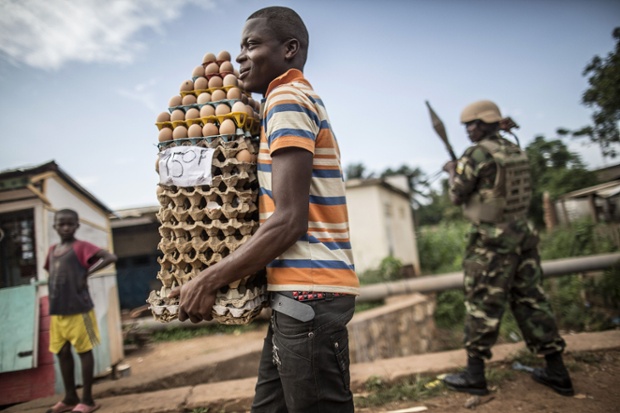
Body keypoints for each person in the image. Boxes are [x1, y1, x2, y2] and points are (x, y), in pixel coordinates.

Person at [170, 6, 360, 412]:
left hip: (308, 291)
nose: (240, 57)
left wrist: (209, 278)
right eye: (241, 46)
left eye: (251, 45)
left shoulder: (287, 98)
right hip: (298, 294)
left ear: (290, 49)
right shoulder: (283, 100)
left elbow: (290, 220)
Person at [441, 100, 574, 397]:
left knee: (482, 304)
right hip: (523, 236)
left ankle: (475, 375)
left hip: (492, 241)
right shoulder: (514, 149)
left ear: (489, 122)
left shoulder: (476, 154)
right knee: (532, 300)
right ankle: (557, 371)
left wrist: (452, 169)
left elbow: (456, 195)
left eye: (473, 124)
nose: (469, 130)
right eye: (466, 125)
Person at [44, 209, 117, 413]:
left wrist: (87, 272)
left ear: (77, 226)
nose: (65, 227)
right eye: (61, 224)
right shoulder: (52, 251)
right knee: (62, 352)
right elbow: (53, 275)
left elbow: (110, 257)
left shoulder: (81, 247)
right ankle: (69, 397)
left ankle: (87, 400)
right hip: (58, 311)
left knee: (84, 351)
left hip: (80, 310)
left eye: (70, 224)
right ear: (55, 226)